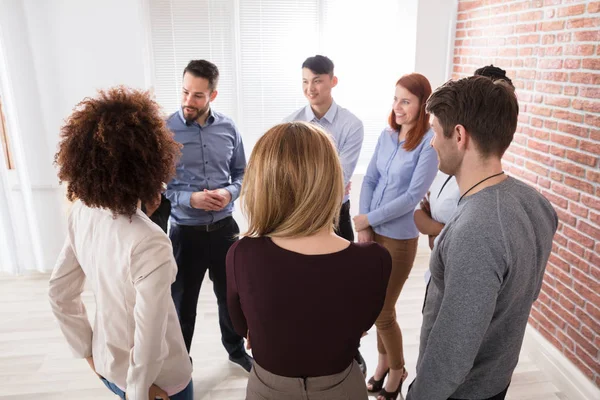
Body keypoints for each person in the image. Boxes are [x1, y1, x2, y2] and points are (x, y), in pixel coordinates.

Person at [406, 76, 558, 400]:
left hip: (460, 393)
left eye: (434, 130)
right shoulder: (536, 203)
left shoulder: (476, 230)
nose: (431, 142)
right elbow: (525, 294)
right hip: (497, 379)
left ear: (459, 135)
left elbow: (451, 354)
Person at [226, 122, 391, 400]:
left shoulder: (242, 255)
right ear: (331, 180)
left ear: (262, 185)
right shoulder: (375, 259)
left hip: (269, 388)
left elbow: (243, 329)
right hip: (343, 387)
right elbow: (362, 325)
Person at [49, 87, 193, 400]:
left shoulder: (82, 212)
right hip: (160, 383)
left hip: (107, 366)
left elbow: (59, 293)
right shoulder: (151, 241)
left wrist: (89, 354)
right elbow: (149, 335)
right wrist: (140, 392)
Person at [354, 73, 438, 400]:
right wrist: (364, 224)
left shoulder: (428, 144)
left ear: (422, 105)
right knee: (376, 306)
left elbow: (410, 198)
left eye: (406, 101)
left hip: (399, 239)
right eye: (396, 99)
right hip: (373, 231)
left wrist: (368, 218)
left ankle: (398, 371)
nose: (398, 107)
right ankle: (382, 365)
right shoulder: (387, 136)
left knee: (383, 311)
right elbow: (371, 177)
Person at [165, 59, 252, 371]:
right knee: (182, 304)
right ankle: (179, 363)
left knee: (231, 298)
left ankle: (235, 351)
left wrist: (229, 192)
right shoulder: (164, 130)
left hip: (224, 230)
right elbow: (158, 186)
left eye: (198, 95)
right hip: (184, 234)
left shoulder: (228, 128)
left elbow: (242, 173)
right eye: (185, 92)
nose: (189, 101)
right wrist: (191, 198)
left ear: (213, 96)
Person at [283, 54, 367, 374]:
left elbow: (340, 174)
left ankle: (348, 348)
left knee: (341, 286)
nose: (310, 88)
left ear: (333, 81)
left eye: (317, 81)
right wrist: (323, 179)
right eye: (305, 81)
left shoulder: (351, 124)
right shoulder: (290, 123)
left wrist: (316, 179)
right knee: (303, 286)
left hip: (336, 216)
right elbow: (288, 177)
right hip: (299, 218)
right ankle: (308, 343)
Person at [414, 65, 514, 254]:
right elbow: (420, 213)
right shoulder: (448, 167)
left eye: (435, 131)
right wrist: (444, 233)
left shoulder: (479, 225)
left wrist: (444, 235)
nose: (432, 144)